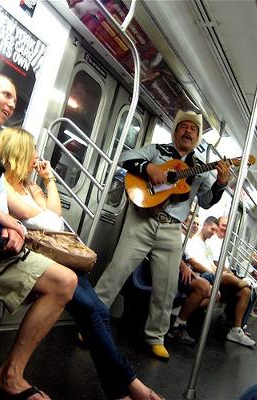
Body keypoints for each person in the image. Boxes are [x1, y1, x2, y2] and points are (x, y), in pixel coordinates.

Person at [0, 126, 165, 400]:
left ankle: (121, 388)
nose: (37, 155)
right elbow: (39, 216)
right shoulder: (2, 183)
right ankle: (129, 386)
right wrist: (44, 212)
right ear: (19, 152)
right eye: (33, 150)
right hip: (32, 253)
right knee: (89, 308)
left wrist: (48, 179)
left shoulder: (28, 184)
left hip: (48, 252)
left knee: (99, 309)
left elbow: (56, 213)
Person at [95, 109, 231, 360]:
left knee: (166, 287)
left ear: (198, 136)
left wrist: (221, 184)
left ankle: (156, 337)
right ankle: (91, 322)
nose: (188, 131)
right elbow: (125, 157)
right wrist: (148, 168)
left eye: (193, 128)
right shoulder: (156, 150)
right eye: (184, 126)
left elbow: (205, 200)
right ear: (175, 130)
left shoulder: (200, 169)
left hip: (171, 229)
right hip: (141, 220)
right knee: (116, 272)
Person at [0, 72, 78, 400]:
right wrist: (1, 217)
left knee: (65, 281)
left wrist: (10, 226)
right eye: (5, 94)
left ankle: (11, 374)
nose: (11, 102)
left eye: (14, 99)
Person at [185, 216, 256, 347]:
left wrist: (218, 271)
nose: (213, 232)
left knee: (245, 292)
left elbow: (211, 263)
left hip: (210, 273)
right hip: (202, 275)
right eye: (212, 229)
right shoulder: (194, 242)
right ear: (205, 225)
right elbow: (194, 263)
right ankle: (242, 282)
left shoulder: (205, 245)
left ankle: (236, 330)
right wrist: (216, 273)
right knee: (226, 277)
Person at [168, 215, 215, 345]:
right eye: (193, 223)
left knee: (215, 293)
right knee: (204, 286)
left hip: (183, 273)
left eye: (197, 224)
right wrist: (184, 266)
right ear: (184, 222)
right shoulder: (178, 235)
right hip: (171, 270)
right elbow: (175, 255)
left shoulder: (189, 240)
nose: (195, 226)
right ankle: (178, 325)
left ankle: (178, 317)